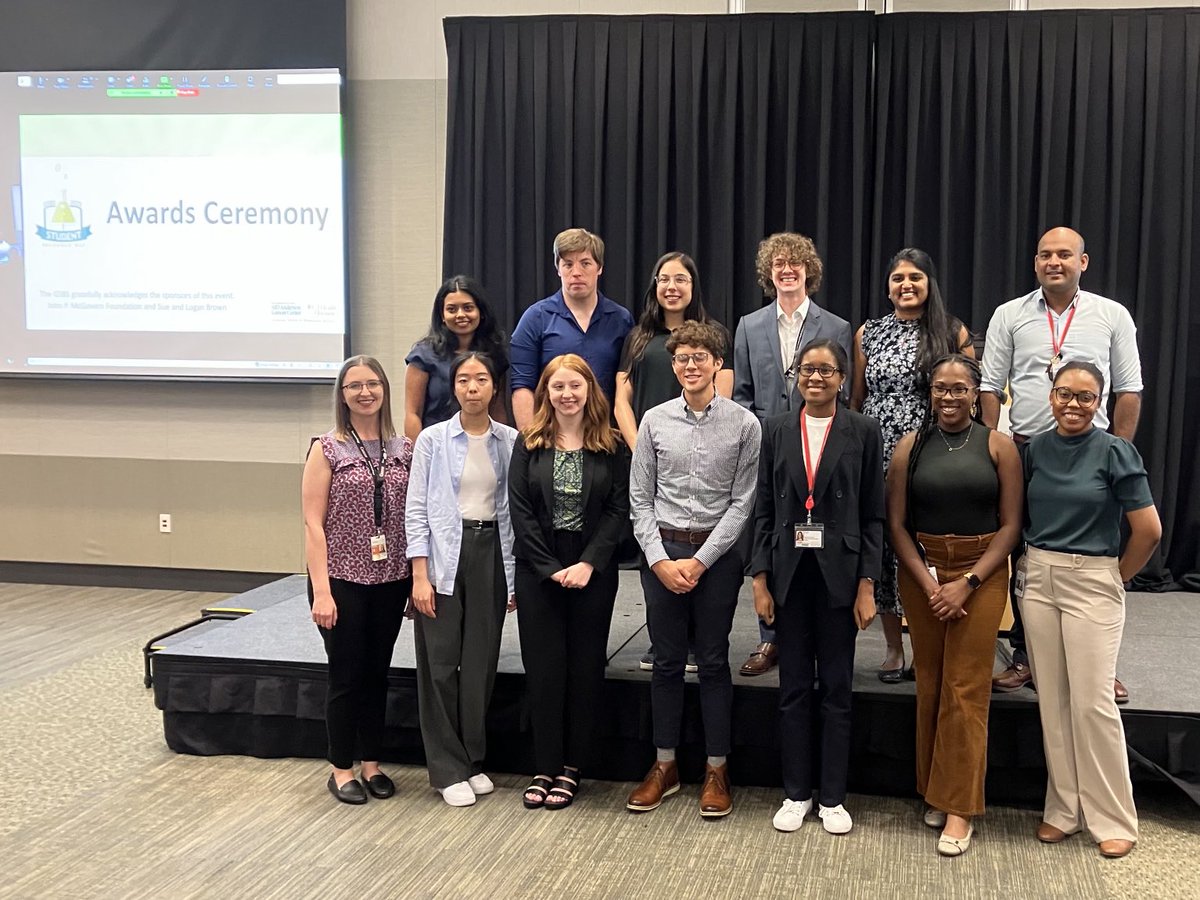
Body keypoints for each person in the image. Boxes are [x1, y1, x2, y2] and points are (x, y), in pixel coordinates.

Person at [981, 226, 1143, 703]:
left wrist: (1117, 452)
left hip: (1091, 450)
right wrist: (995, 449)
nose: (1055, 262)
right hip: (1025, 450)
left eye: (1065, 255)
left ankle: (1100, 667)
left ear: (1083, 262)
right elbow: (990, 386)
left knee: (1095, 554)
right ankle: (1027, 658)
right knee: (1021, 550)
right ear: (1035, 263)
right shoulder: (1009, 314)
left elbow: (1129, 388)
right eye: (1046, 255)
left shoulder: (1111, 315)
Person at [1019, 360, 1160, 859]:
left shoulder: (1115, 451)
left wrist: (1115, 578)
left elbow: (1149, 530)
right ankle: (1063, 810)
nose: (1073, 405)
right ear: (1050, 396)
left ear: (1099, 402)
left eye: (1085, 396)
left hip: (1094, 578)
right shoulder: (1036, 448)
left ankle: (1112, 817)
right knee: (1053, 700)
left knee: (1092, 704)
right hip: (1038, 578)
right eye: (1064, 394)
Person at [887, 355, 1022, 856]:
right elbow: (896, 524)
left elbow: (1011, 526)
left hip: (980, 573)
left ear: (976, 393)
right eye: (940, 388)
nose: (948, 397)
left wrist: (966, 581)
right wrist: (928, 583)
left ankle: (960, 807)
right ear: (930, 392)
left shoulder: (998, 446)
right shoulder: (909, 447)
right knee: (931, 681)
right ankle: (934, 789)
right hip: (922, 572)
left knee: (966, 686)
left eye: (959, 389)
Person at [626, 320, 761, 818]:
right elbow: (639, 498)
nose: (690, 366)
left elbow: (742, 504)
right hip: (660, 552)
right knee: (664, 661)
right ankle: (664, 765)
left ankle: (716, 768)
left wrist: (701, 562)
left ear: (717, 364)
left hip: (716, 559)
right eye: (682, 358)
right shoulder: (654, 421)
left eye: (700, 358)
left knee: (711, 660)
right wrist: (660, 560)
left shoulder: (745, 425)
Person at [752, 338, 884, 836]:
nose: (816, 378)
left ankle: (831, 797)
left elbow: (873, 514)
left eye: (827, 370)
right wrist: (760, 578)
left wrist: (867, 583)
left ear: (843, 377)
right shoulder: (777, 429)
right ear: (796, 375)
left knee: (836, 688)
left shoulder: (863, 431)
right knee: (791, 691)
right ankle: (796, 793)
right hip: (788, 574)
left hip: (840, 578)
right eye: (807, 369)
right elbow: (763, 508)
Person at [508, 355, 630, 810]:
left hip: (591, 569)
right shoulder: (529, 443)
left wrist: (588, 563)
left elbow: (619, 510)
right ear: (546, 392)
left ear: (589, 391)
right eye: (557, 387)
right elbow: (519, 511)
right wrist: (548, 567)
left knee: (584, 669)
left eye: (574, 386)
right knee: (544, 671)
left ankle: (573, 766)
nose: (566, 395)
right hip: (540, 570)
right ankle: (544, 764)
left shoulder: (611, 444)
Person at [851, 249, 973, 683]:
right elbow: (857, 398)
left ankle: (929, 641)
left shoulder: (951, 331)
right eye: (898, 277)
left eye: (915, 277)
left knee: (926, 544)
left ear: (929, 283)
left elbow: (968, 393)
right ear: (887, 285)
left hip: (932, 450)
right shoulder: (869, 332)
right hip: (878, 448)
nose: (906, 284)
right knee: (884, 545)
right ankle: (892, 647)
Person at [732, 232, 852, 677]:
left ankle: (814, 633)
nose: (787, 269)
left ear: (808, 271)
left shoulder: (836, 327)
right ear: (769, 273)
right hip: (769, 449)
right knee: (773, 535)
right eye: (778, 263)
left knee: (817, 535)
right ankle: (770, 639)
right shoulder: (749, 325)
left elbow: (847, 393)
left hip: (819, 448)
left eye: (795, 263)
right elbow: (742, 393)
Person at [405, 351, 518, 807]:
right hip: (442, 556)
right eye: (464, 380)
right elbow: (416, 508)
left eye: (482, 379)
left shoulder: (510, 440)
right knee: (439, 664)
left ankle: (471, 759)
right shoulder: (432, 440)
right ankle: (446, 768)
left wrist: (511, 578)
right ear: (454, 388)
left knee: (479, 665)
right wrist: (419, 574)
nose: (473, 388)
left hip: (491, 553)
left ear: (494, 387)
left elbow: (514, 511)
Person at [614, 251, 733, 672]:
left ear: (692, 285)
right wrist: (640, 445)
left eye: (680, 279)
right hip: (652, 453)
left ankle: (701, 642)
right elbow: (622, 399)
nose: (671, 286)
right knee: (658, 547)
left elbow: (727, 394)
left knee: (698, 544)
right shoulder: (639, 337)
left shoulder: (714, 334)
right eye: (664, 278)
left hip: (703, 454)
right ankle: (664, 640)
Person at [302, 355, 413, 805]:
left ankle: (372, 763)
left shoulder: (404, 447)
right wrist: (323, 592)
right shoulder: (325, 448)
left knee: (377, 673)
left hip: (390, 577)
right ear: (342, 394)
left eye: (372, 384)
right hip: (341, 578)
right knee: (346, 676)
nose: (364, 392)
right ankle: (341, 767)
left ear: (384, 390)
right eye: (354, 386)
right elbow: (312, 523)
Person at [509, 228, 633, 430]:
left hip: (605, 439)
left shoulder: (621, 320)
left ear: (599, 267)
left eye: (585, 263)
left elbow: (627, 388)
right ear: (558, 269)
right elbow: (522, 387)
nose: (576, 272)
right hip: (551, 437)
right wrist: (532, 445)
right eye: (568, 264)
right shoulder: (535, 319)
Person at [404, 275, 509, 439]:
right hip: (435, 447)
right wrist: (418, 458)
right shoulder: (423, 355)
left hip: (482, 444)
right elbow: (412, 413)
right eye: (452, 309)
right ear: (442, 316)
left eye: (468, 308)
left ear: (481, 312)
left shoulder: (494, 354)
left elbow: (497, 409)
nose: (460, 315)